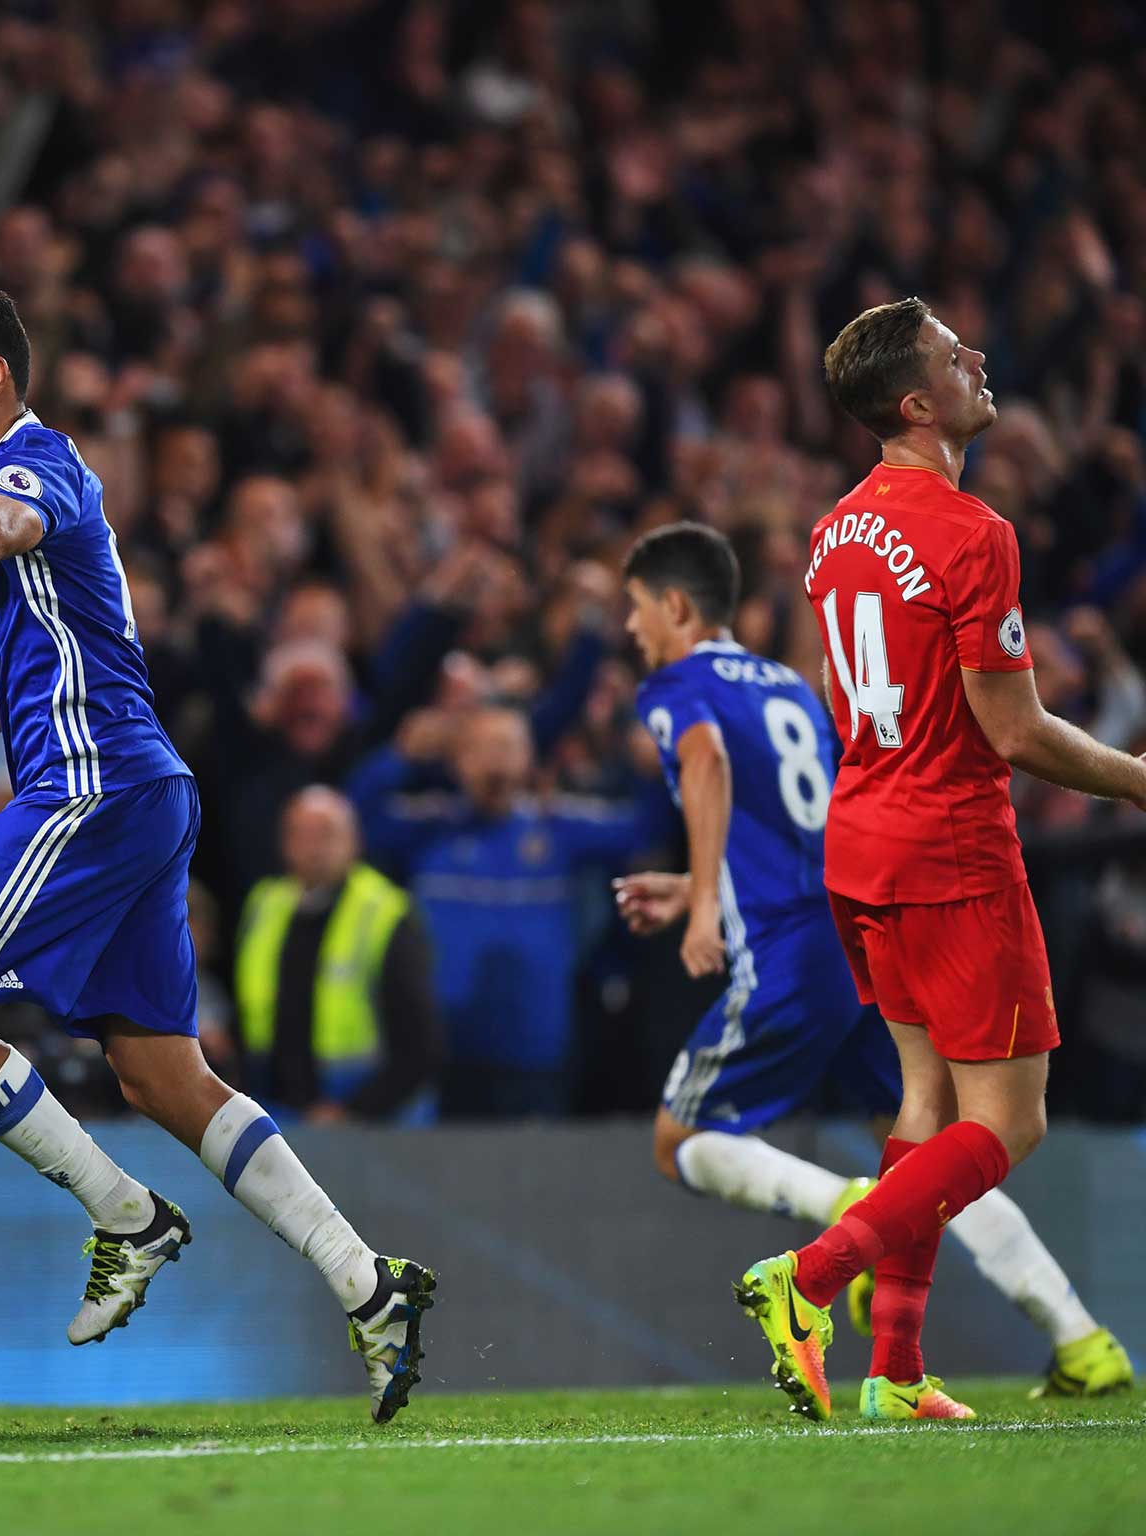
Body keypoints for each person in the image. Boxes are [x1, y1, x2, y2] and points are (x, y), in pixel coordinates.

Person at [0, 285, 435, 1424]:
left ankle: (127, 1216)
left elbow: (2, 531)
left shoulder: (31, 469)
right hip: (137, 789)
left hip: (89, 788)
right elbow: (0, 682)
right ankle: (367, 1285)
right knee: (161, 1074)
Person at [736, 298, 1146, 1423]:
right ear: (917, 402)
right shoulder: (973, 535)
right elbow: (1012, 733)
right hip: (951, 847)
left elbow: (845, 694)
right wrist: (1133, 777)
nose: (976, 356)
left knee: (923, 1100)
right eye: (950, 354)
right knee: (1007, 1121)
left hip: (860, 841)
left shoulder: (833, 529)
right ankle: (807, 1281)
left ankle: (896, 1372)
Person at [614, 521, 1130, 1406]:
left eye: (634, 611)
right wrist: (696, 879)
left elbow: (703, 766)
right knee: (941, 1132)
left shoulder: (677, 684)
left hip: (788, 946)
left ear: (674, 605)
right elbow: (801, 812)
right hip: (863, 915)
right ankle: (1076, 1337)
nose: (630, 632)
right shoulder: (782, 681)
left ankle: (841, 1222)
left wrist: (705, 903)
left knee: (679, 1140)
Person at [354, 703, 655, 1117]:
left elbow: (644, 829)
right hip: (444, 1053)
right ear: (457, 760)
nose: (495, 760)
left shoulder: (558, 828)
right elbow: (355, 818)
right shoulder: (430, 827)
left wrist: (651, 769)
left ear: (529, 758)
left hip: (533, 1056)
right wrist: (399, 757)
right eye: (482, 748)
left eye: (508, 747)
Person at [232, 787, 439, 1123]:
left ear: (354, 840)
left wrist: (353, 1111)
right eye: (301, 834)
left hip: (371, 1115)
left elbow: (420, 1044)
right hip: (279, 1109)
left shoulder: (384, 913)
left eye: (326, 834)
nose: (314, 848)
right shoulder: (264, 906)